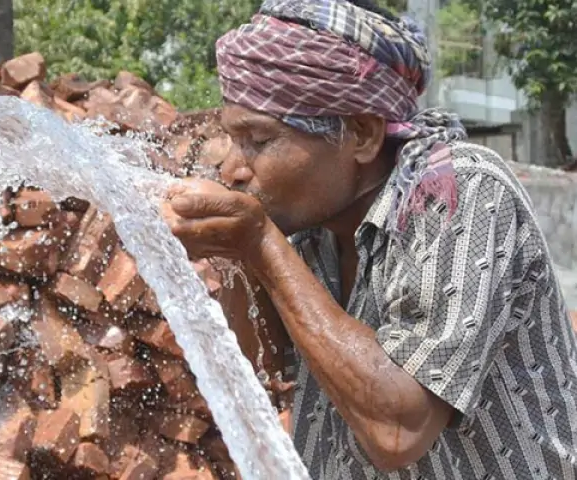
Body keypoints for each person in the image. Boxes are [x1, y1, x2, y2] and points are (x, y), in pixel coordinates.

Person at [163, 0, 577, 478]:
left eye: (258, 139)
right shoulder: (309, 224)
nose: (232, 169)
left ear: (360, 133)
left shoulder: (458, 191)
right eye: (232, 139)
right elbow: (265, 360)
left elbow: (399, 431)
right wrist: (231, 253)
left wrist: (258, 243)